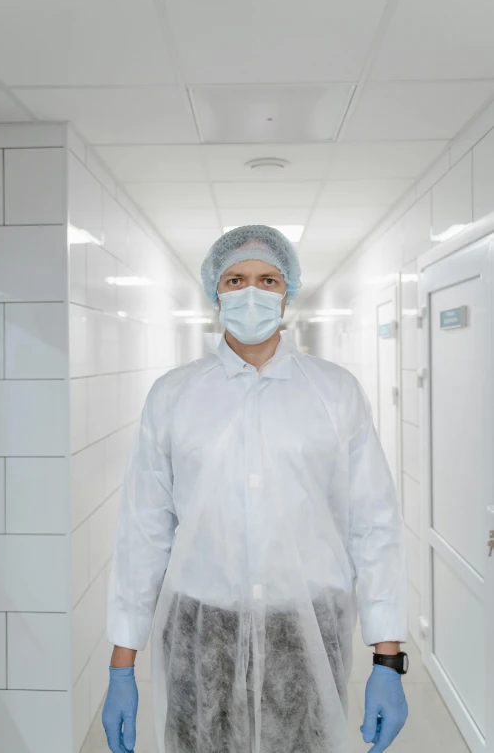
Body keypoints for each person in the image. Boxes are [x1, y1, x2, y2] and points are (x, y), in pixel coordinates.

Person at [102, 225, 409, 753]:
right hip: (201, 636)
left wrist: (388, 660)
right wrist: (122, 665)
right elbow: (144, 532)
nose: (251, 292)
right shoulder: (174, 396)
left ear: (286, 293)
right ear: (214, 293)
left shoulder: (335, 393)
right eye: (236, 279)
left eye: (267, 279)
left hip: (309, 631)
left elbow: (373, 528)